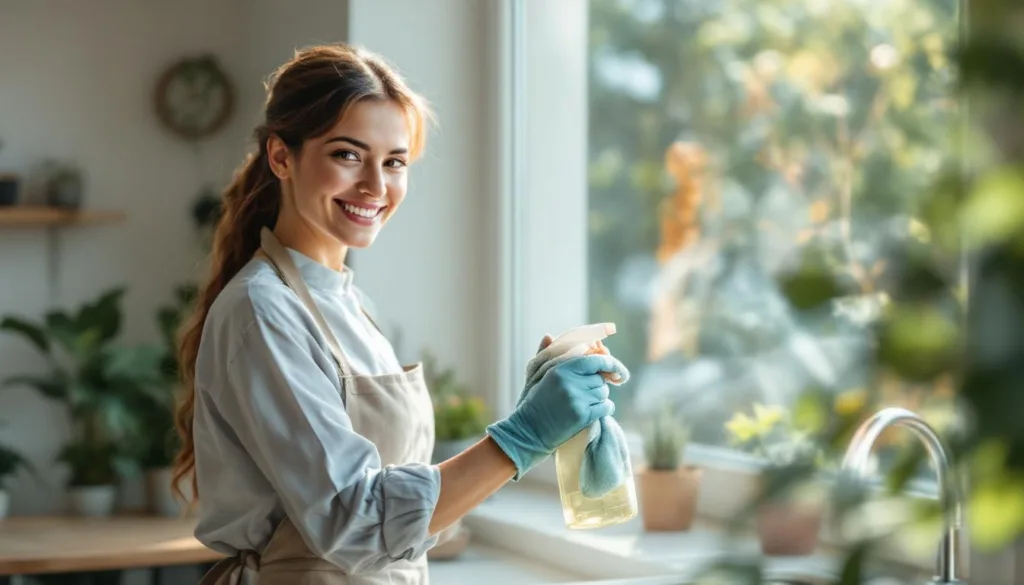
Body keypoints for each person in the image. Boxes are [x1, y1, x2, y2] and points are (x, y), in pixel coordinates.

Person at [171, 43, 629, 585]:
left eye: (394, 162)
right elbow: (356, 523)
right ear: (281, 157)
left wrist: (533, 417)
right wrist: (520, 437)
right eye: (347, 154)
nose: (375, 186)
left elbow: (398, 511)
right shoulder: (262, 310)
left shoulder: (351, 305)